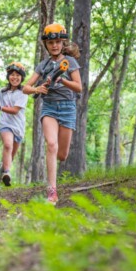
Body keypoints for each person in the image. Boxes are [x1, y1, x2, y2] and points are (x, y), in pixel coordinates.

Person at [23, 23, 82, 205]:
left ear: (63, 43)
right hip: (48, 107)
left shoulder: (70, 62)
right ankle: (52, 190)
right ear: (46, 45)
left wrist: (62, 80)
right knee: (51, 144)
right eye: (50, 43)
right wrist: (37, 88)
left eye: (57, 42)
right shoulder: (43, 65)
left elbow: (79, 87)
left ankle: (53, 164)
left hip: (67, 108)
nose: (54, 45)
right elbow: (25, 87)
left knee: (62, 154)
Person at [0, 62, 28, 187]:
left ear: (22, 77)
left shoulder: (24, 92)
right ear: (8, 77)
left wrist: (0, 107)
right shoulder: (2, 91)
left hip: (18, 127)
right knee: (8, 145)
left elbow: (14, 110)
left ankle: (3, 171)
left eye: (18, 75)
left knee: (10, 155)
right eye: (12, 74)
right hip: (5, 124)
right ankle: (7, 173)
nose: (15, 77)